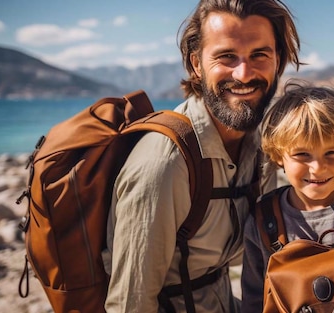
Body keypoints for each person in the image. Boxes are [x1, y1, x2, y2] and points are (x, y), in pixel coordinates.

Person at [104, 0, 301, 312]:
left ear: (278, 60)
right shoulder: (166, 165)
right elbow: (130, 302)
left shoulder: (260, 145)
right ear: (196, 64)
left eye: (259, 55)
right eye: (226, 57)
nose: (244, 73)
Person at [241, 81, 334, 312]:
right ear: (279, 155)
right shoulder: (264, 221)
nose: (318, 168)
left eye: (331, 153)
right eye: (302, 154)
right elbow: (254, 299)